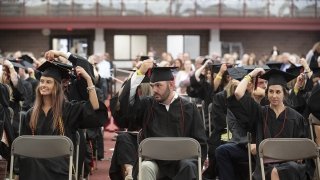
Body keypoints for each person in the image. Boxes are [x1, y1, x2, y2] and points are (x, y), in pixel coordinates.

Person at [115, 59, 207, 180]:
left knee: (189, 166)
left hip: (182, 163)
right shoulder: (147, 105)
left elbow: (200, 143)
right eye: (152, 86)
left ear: (171, 85)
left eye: (159, 85)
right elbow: (128, 105)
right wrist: (139, 74)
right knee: (146, 166)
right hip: (155, 162)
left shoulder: (189, 108)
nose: (154, 90)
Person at [16, 60, 108, 180]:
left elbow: (95, 109)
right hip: (34, 167)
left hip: (59, 168)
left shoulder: (69, 110)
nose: (43, 85)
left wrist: (89, 81)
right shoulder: (30, 114)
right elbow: (24, 148)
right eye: (42, 81)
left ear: (57, 86)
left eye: (49, 82)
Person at [230, 68, 313, 180]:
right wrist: (252, 74)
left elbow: (303, 151)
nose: (274, 96)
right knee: (274, 171)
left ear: (284, 93)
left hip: (292, 165)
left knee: (285, 169)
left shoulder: (296, 117)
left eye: (278, 92)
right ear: (266, 92)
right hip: (266, 166)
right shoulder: (260, 113)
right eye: (271, 91)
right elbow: (238, 93)